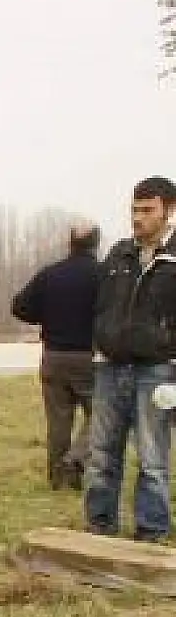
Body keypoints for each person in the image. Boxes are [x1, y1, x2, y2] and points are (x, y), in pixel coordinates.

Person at [83, 176, 176, 544]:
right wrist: (101, 340)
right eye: (134, 210)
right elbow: (102, 305)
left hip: (156, 370)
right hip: (110, 367)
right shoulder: (119, 254)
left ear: (168, 211)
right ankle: (99, 526)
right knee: (102, 452)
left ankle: (151, 532)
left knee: (152, 457)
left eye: (147, 210)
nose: (138, 218)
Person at [11, 223, 103, 490]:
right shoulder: (103, 274)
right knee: (101, 415)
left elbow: (19, 306)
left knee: (58, 421)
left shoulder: (50, 274)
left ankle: (57, 478)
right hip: (89, 357)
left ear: (70, 243)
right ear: (96, 245)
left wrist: (45, 316)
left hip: (53, 356)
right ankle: (76, 460)